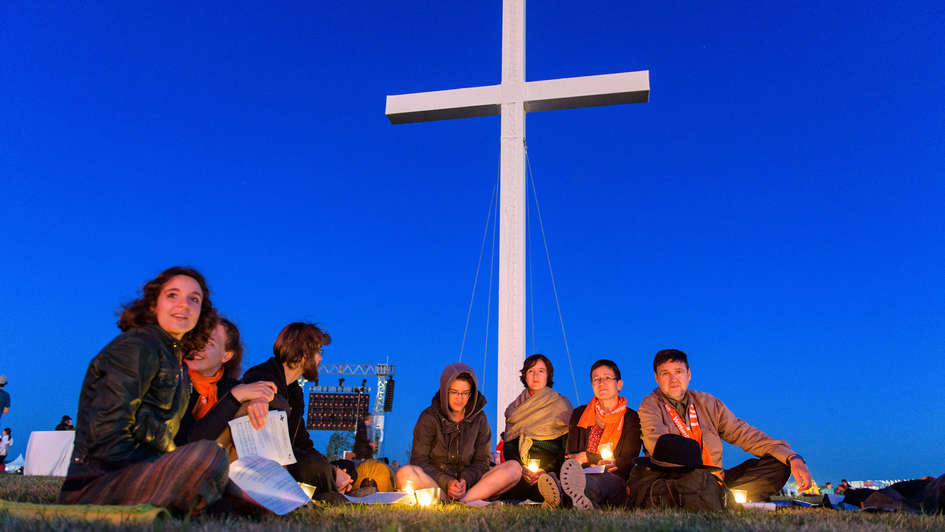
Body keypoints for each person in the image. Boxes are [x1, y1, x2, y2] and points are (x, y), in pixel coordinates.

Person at [58, 267, 239, 515]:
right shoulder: (136, 347)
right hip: (98, 481)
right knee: (208, 454)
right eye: (173, 295)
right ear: (154, 305)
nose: (184, 305)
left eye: (193, 299)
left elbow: (164, 441)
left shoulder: (179, 365)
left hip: (143, 473)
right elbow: (108, 439)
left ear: (201, 313)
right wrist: (170, 465)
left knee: (227, 492)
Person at [637, 349, 812, 503]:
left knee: (778, 464)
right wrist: (698, 473)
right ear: (656, 378)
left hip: (716, 478)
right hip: (677, 479)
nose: (673, 379)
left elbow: (743, 433)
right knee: (669, 486)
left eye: (678, 371)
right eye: (665, 373)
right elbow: (657, 445)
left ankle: (720, 495)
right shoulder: (650, 406)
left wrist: (792, 457)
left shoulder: (708, 403)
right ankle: (717, 497)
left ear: (689, 374)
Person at [242, 322, 349, 502]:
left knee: (345, 465)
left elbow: (303, 442)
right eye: (318, 352)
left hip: (291, 458)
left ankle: (335, 482)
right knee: (314, 467)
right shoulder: (262, 374)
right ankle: (332, 486)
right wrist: (328, 470)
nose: (320, 359)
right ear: (302, 352)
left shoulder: (295, 391)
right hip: (265, 464)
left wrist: (333, 469)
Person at [396, 362, 521, 502]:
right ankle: (443, 499)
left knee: (514, 468)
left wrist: (465, 480)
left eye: (465, 393)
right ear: (445, 391)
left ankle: (464, 501)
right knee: (404, 474)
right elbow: (419, 461)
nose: (459, 398)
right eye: (454, 392)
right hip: (436, 484)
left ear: (471, 394)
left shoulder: (480, 419)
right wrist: (447, 482)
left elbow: (482, 461)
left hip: (471, 487)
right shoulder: (429, 417)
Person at [540, 359, 642, 509]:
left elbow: (628, 460)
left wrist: (587, 457)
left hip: (615, 477)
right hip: (579, 473)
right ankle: (566, 494)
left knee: (597, 481)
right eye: (596, 379)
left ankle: (563, 497)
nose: (601, 383)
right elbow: (571, 456)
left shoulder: (631, 417)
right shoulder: (579, 414)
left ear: (619, 384)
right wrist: (591, 462)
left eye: (607, 378)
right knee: (574, 477)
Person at [175, 317, 277, 445]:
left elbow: (278, 401)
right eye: (198, 339)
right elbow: (188, 443)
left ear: (226, 356)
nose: (198, 346)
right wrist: (235, 396)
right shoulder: (173, 380)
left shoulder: (228, 386)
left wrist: (259, 399)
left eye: (209, 343)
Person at [499, 354, 572, 504]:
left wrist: (545, 470)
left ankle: (553, 492)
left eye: (541, 371)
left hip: (551, 470)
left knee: (546, 486)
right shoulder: (514, 409)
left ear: (548, 375)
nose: (535, 376)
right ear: (525, 376)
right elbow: (509, 445)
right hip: (520, 471)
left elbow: (566, 447)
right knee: (512, 488)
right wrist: (521, 468)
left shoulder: (561, 405)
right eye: (531, 371)